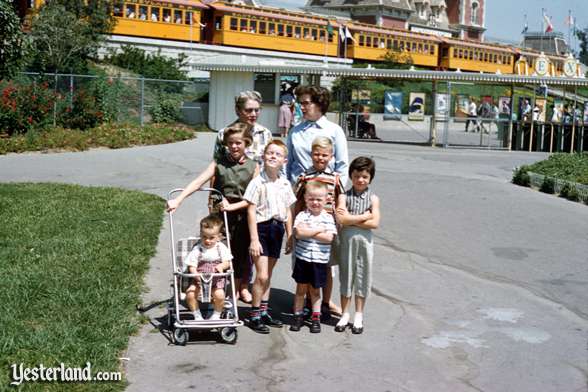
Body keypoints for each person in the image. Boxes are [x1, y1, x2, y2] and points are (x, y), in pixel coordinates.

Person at [167, 122, 259, 305]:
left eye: (238, 143)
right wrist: (179, 199)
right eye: (231, 143)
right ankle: (211, 290)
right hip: (221, 215)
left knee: (240, 255)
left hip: (242, 213)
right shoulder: (219, 162)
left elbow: (255, 197)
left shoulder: (253, 166)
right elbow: (199, 182)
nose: (234, 146)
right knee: (215, 252)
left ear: (246, 143)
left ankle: (235, 291)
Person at [243, 140, 297, 333]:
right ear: (263, 156)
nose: (273, 156)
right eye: (270, 153)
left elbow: (289, 210)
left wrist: (290, 234)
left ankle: (264, 311)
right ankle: (254, 314)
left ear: (284, 160)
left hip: (277, 229)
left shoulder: (284, 183)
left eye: (278, 154)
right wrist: (254, 239)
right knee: (262, 275)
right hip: (262, 229)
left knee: (269, 275)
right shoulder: (257, 182)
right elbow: (250, 211)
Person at [292, 137, 345, 320]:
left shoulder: (335, 179)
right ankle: (308, 303)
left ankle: (324, 303)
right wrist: (292, 231)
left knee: (327, 268)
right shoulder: (304, 177)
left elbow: (340, 201)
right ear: (311, 154)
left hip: (326, 231)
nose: (320, 158)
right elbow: (297, 203)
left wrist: (340, 219)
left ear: (331, 156)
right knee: (306, 267)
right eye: (316, 154)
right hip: (306, 228)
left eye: (324, 155)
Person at [334, 157, 380, 334]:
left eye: (364, 176)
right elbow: (342, 219)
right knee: (347, 275)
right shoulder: (344, 196)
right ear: (351, 176)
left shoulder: (374, 198)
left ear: (370, 178)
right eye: (356, 176)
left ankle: (359, 314)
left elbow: (375, 223)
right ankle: (344, 313)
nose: (360, 180)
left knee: (362, 276)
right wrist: (363, 217)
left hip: (365, 243)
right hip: (347, 241)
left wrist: (351, 220)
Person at [290, 181, 337, 334]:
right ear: (305, 198)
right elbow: (299, 233)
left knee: (316, 291)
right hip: (303, 258)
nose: (315, 202)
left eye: (319, 199)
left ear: (326, 200)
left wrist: (309, 231)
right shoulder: (302, 215)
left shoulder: (328, 218)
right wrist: (318, 230)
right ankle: (298, 316)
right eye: (311, 199)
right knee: (300, 289)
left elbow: (329, 238)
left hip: (319, 260)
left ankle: (315, 317)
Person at [286, 85, 349, 187]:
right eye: (300, 103)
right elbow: (287, 163)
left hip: (325, 194)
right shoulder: (295, 131)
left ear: (320, 104)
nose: (301, 107)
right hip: (297, 192)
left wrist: (337, 192)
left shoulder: (335, 131)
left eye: (306, 103)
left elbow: (342, 166)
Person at [184, 214, 232, 321]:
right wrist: (195, 275)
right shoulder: (198, 249)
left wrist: (222, 265)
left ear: (219, 237)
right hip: (199, 281)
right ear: (200, 234)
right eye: (204, 237)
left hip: (216, 281)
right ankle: (197, 315)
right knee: (190, 294)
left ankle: (216, 315)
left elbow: (227, 262)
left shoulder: (221, 248)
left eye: (211, 238)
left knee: (220, 296)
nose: (207, 241)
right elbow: (192, 266)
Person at [213, 91, 272, 167]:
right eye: (248, 110)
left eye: (257, 110)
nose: (254, 114)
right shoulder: (224, 133)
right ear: (238, 111)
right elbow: (216, 165)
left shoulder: (265, 134)